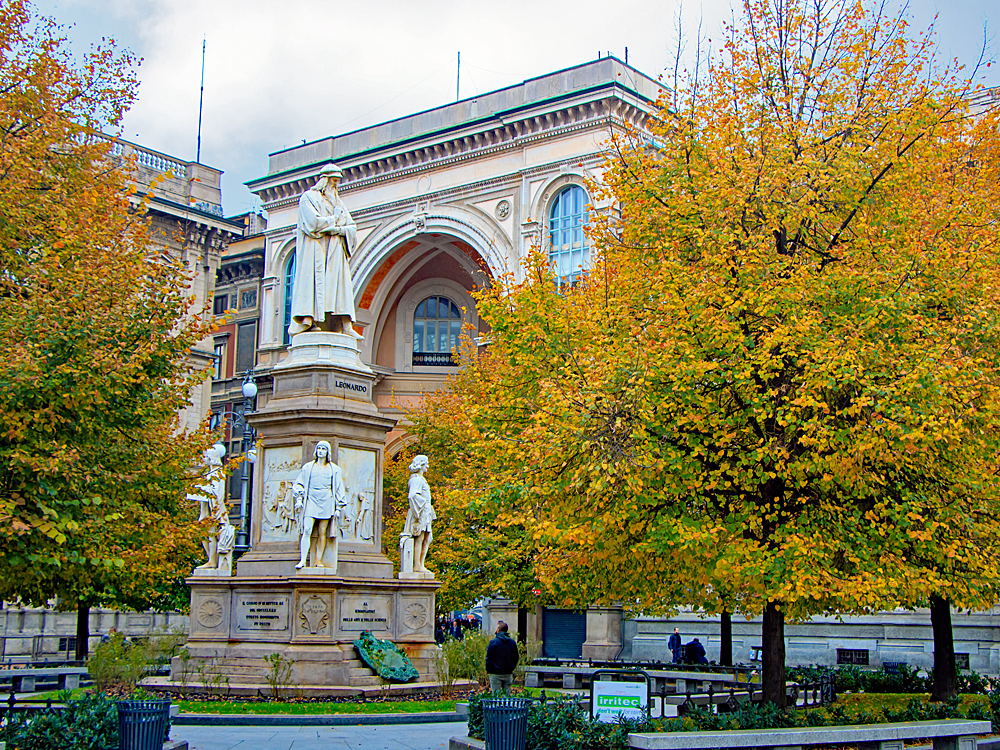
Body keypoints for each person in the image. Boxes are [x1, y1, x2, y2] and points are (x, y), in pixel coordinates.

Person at [287, 163, 362, 340]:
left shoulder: (339, 203)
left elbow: (351, 227)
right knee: (315, 286)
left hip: (335, 251)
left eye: (337, 182)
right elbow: (312, 224)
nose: (335, 186)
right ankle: (310, 322)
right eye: (333, 181)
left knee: (339, 288)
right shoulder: (309, 198)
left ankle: (345, 324)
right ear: (324, 180)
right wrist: (334, 219)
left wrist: (339, 230)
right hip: (316, 253)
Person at [292, 441, 352, 569]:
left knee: (322, 531)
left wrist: (338, 507)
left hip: (326, 500)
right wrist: (299, 498)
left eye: (323, 449)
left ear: (327, 452)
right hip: (311, 500)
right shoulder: (308, 467)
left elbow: (338, 488)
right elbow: (299, 483)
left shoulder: (334, 469)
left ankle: (318, 560)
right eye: (318, 448)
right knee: (307, 529)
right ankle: (303, 560)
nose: (320, 451)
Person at [402, 455, 436, 573]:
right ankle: (417, 565)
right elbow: (412, 495)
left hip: (425, 512)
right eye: (426, 463)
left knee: (427, 538)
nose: (428, 465)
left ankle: (421, 564)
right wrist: (422, 507)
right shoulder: (416, 479)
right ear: (421, 464)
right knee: (419, 537)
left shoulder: (420, 479)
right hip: (420, 511)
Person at [486, 621, 520, 692]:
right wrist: (511, 668)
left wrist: (489, 670)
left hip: (495, 673)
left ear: (498, 630)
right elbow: (516, 658)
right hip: (508, 673)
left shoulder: (493, 642)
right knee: (507, 698)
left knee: (495, 697)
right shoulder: (512, 643)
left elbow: (489, 658)